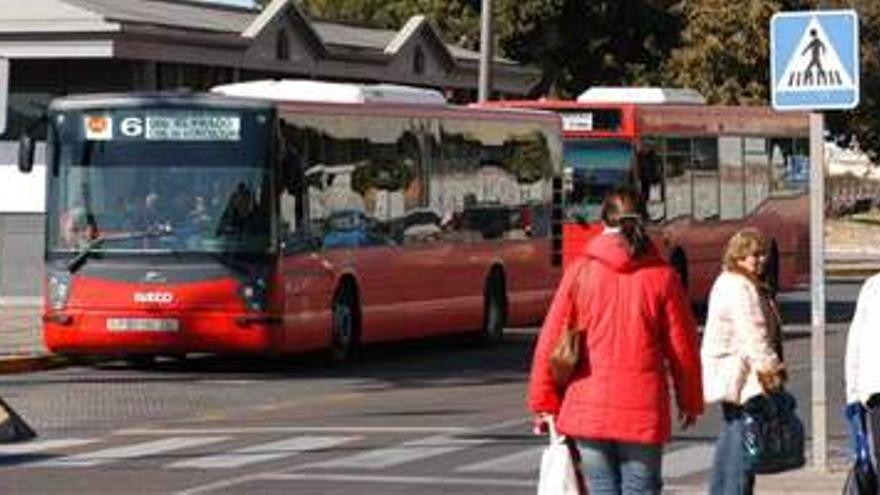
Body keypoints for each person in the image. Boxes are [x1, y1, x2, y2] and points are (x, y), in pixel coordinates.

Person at [528, 187, 704, 495]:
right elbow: (682, 348)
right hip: (642, 409)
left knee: (601, 488)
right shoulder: (662, 277)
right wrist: (689, 399)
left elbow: (551, 339)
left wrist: (544, 402)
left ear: (602, 221)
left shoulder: (581, 271)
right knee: (641, 489)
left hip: (587, 407)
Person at [701, 228, 787, 495]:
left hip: (736, 376)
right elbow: (754, 336)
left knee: (732, 439)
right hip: (744, 379)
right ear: (738, 256)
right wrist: (773, 373)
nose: (761, 260)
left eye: (763, 254)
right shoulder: (741, 287)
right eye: (754, 254)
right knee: (745, 449)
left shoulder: (735, 281)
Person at [845, 270, 880, 473]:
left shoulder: (872, 285)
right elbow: (856, 341)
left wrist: (853, 393)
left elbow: (855, 342)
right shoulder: (872, 286)